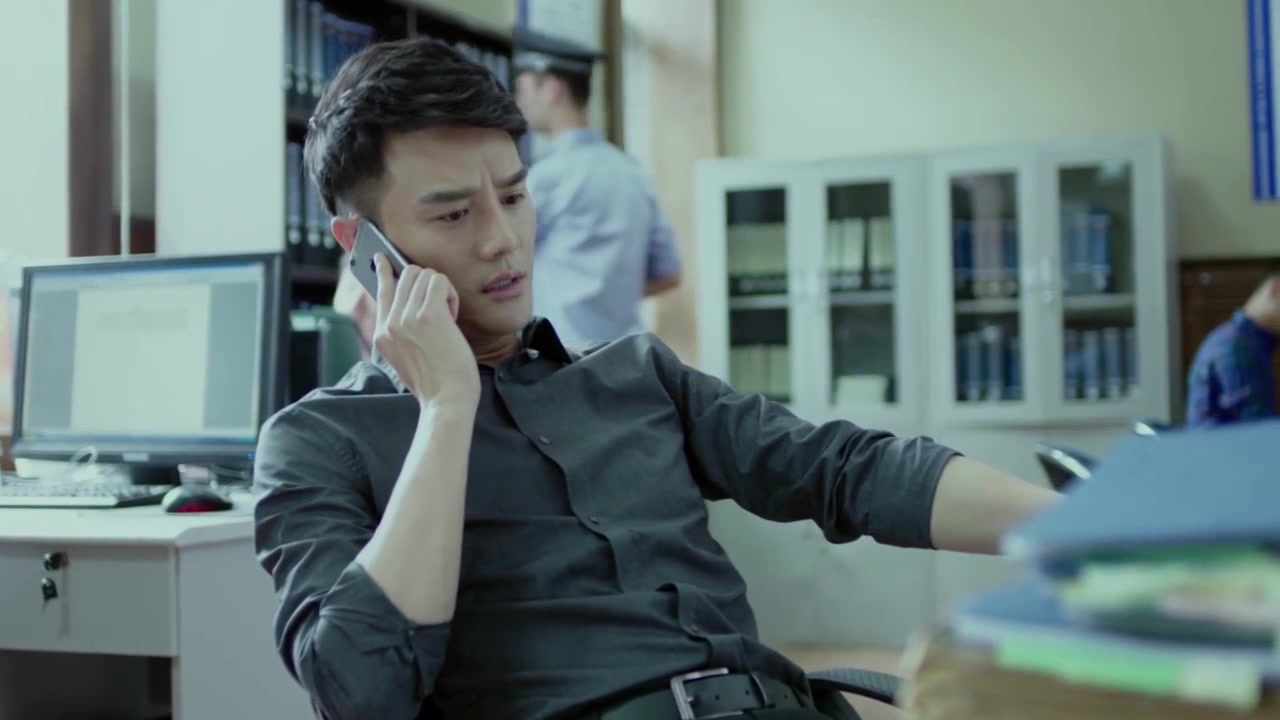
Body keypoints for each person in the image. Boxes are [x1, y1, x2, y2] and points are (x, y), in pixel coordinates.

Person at [253, 37, 1059, 720]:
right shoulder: (318, 441)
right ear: (364, 247)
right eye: (455, 214)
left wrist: (1083, 529)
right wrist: (446, 407)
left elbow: (844, 469)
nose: (505, 240)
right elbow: (361, 691)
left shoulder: (638, 375)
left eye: (516, 196)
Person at [510, 27, 682, 347]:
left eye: (523, 88)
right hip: (628, 356)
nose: (519, 101)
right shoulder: (633, 173)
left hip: (564, 356)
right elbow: (668, 274)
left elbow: (505, 257)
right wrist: (610, 294)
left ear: (552, 88)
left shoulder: (547, 178)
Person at [1185, 272, 1280, 428]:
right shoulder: (1237, 345)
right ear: (1275, 290)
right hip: (1222, 443)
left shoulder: (1248, 342)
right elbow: (1254, 428)